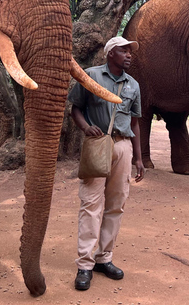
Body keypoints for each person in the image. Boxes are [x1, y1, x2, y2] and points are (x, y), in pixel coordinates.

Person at [68, 36, 146, 291]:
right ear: (111, 53)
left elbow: (135, 122)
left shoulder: (133, 85)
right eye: (124, 50)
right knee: (91, 204)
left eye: (130, 51)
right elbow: (75, 109)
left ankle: (104, 259)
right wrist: (85, 127)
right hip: (97, 144)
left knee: (116, 205)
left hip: (123, 146)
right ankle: (85, 265)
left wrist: (139, 158)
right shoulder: (90, 76)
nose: (129, 55)